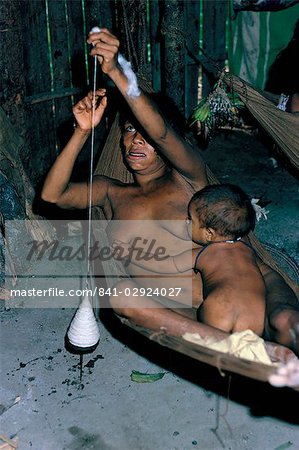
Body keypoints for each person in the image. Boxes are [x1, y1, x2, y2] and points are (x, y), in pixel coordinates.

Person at [41, 28, 299, 357]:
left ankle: (274, 342)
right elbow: (52, 195)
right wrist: (82, 132)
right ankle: (240, 350)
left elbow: (161, 132)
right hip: (190, 319)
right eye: (129, 130)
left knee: (287, 318)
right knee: (120, 298)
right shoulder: (111, 192)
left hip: (251, 289)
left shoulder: (188, 178)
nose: (136, 140)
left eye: (144, 133)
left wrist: (117, 73)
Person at [112, 184, 266, 335]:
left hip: (218, 308)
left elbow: (165, 264)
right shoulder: (247, 251)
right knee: (245, 346)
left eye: (190, 220)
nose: (186, 222)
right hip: (254, 312)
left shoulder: (203, 253)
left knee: (216, 348)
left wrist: (131, 253)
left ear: (209, 234)